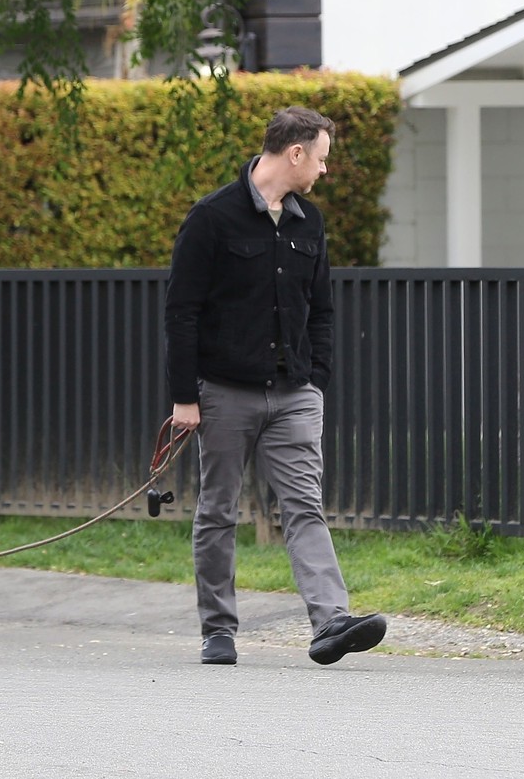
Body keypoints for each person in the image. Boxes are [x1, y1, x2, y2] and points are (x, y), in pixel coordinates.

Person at [164, 105, 387, 666]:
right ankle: (218, 630)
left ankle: (330, 621)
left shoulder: (308, 222)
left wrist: (317, 381)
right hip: (223, 392)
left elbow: (322, 310)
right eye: (321, 158)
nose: (324, 170)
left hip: (294, 394)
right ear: (295, 154)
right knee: (217, 509)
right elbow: (181, 313)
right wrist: (185, 397)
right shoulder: (211, 218)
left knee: (305, 505)